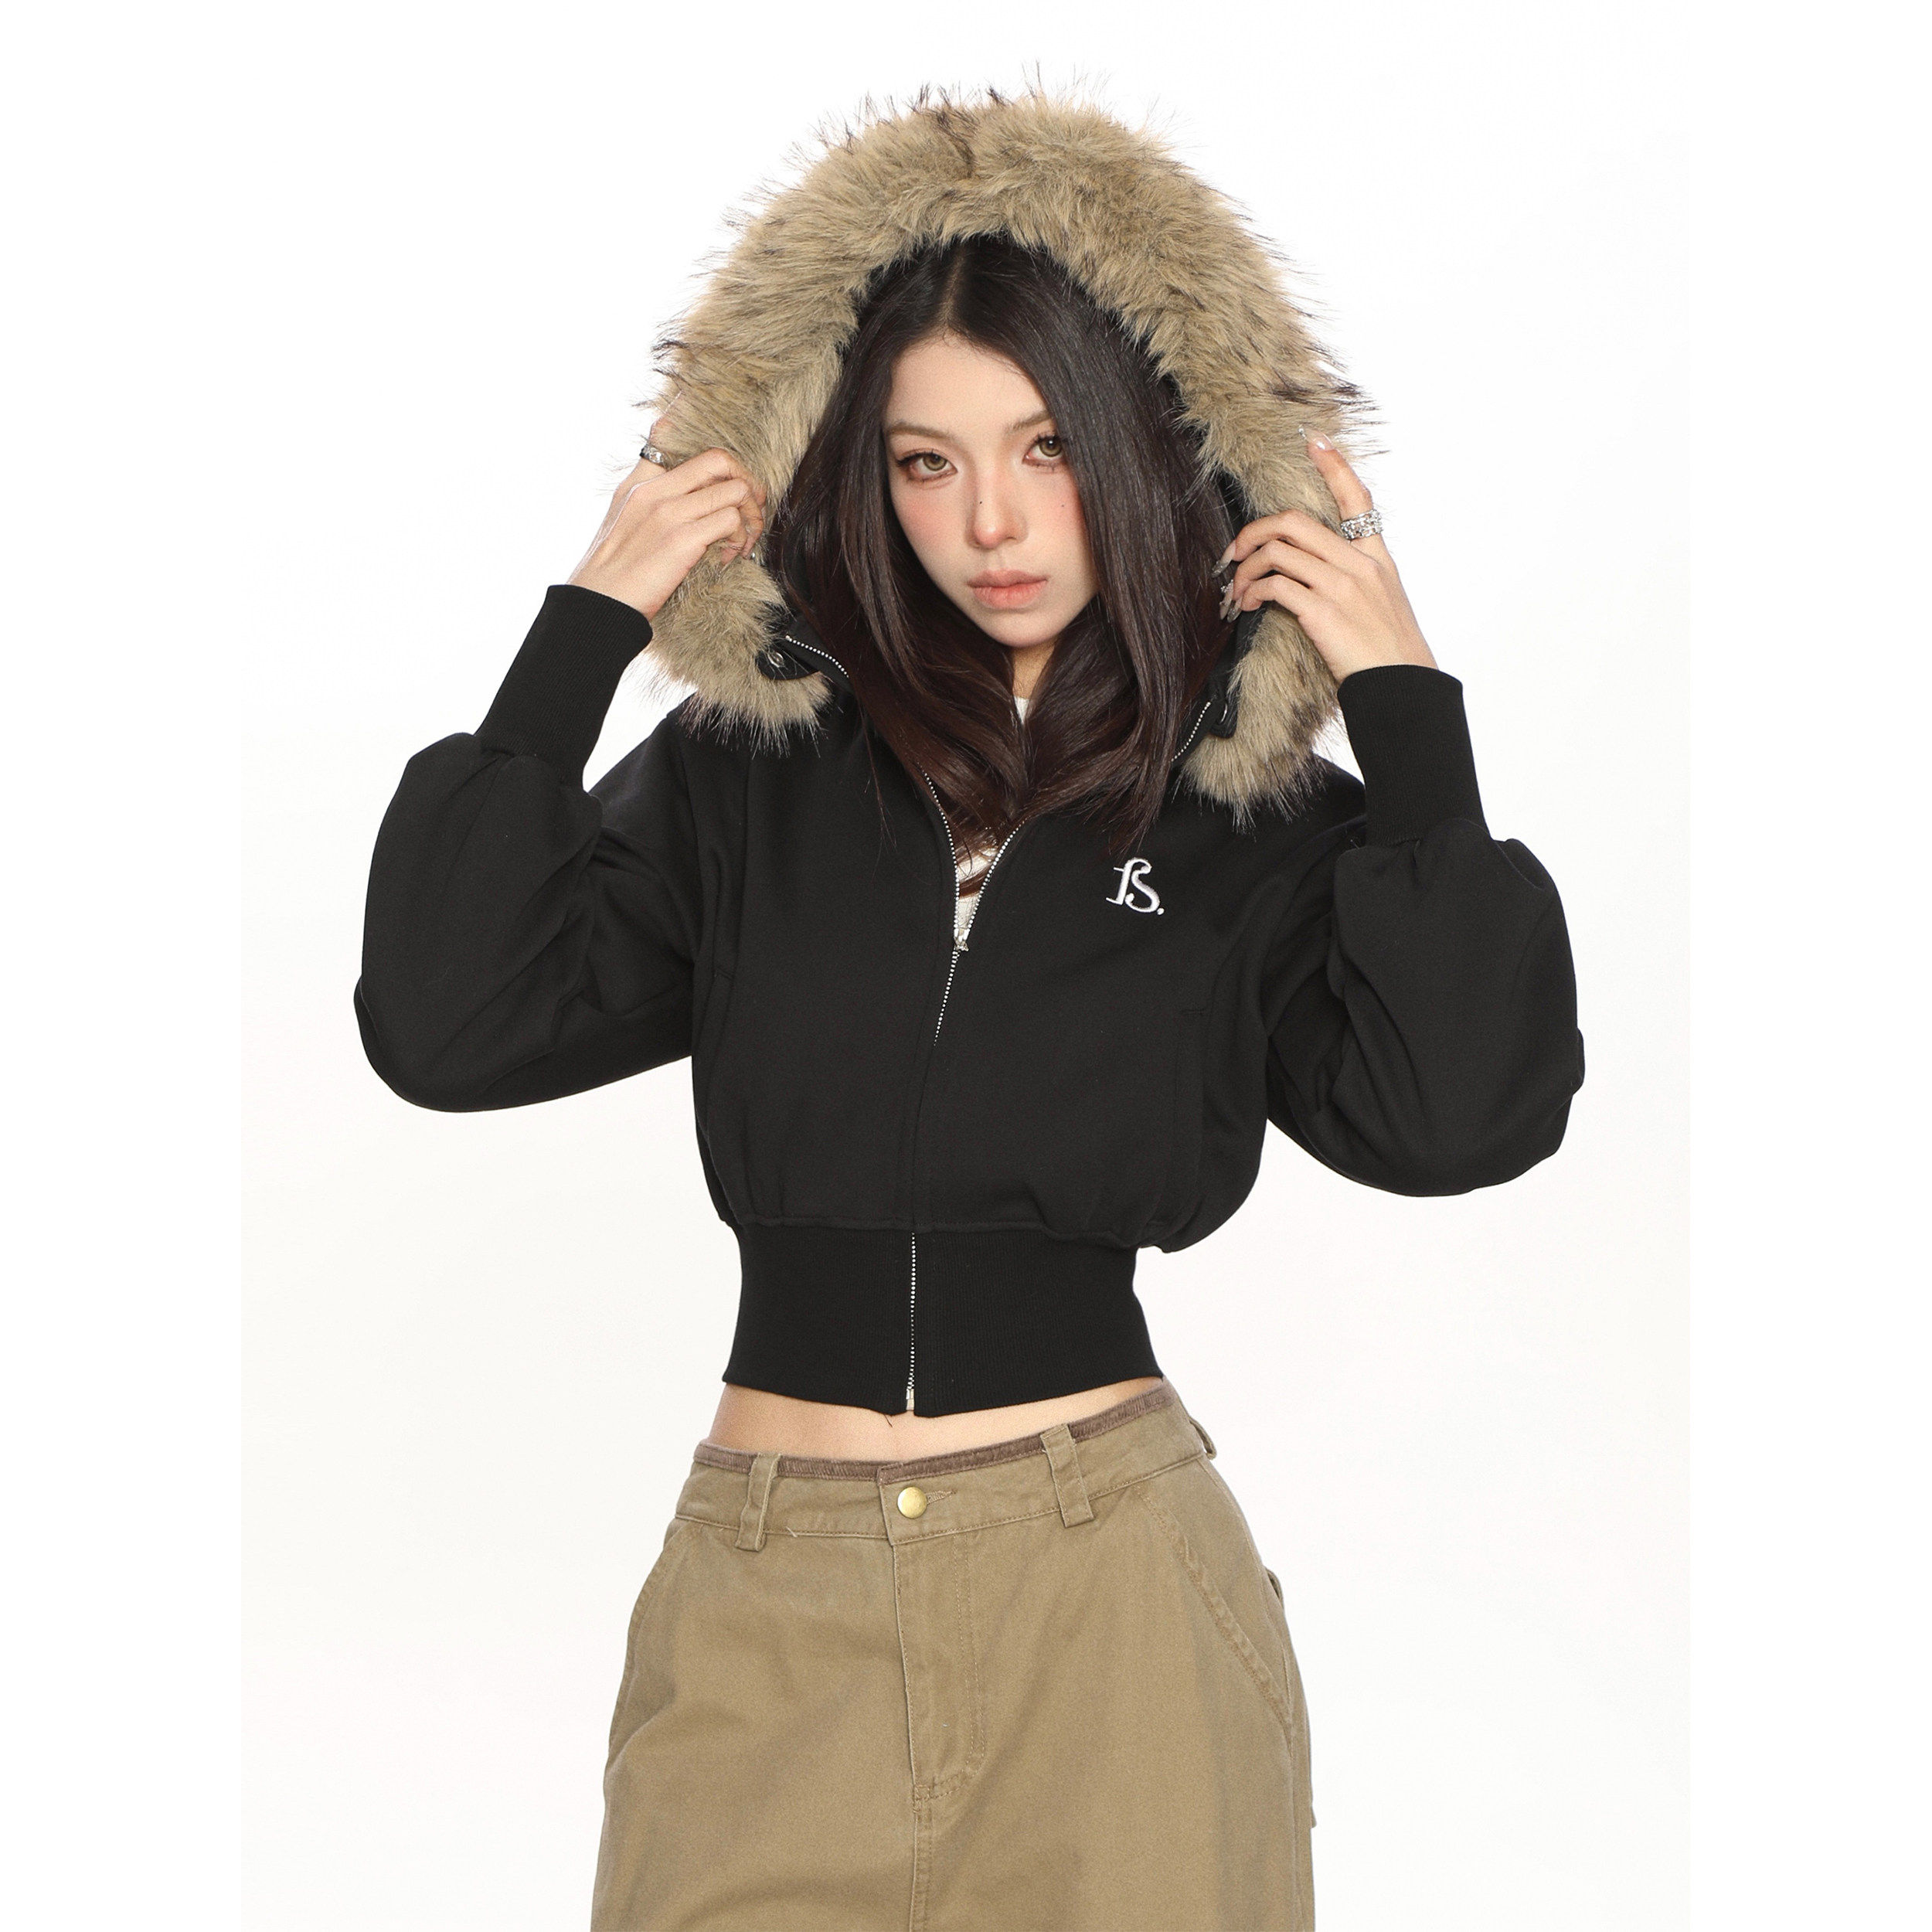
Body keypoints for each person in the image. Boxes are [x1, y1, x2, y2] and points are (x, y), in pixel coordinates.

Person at [355, 87, 1583, 1932]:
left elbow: (1457, 1115)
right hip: (766, 1602)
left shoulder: (1245, 826)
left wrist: (1403, 709)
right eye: (924, 463)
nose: (987, 521)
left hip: (1113, 1602)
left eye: (1043, 447)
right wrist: (590, 618)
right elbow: (446, 1023)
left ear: (1150, 448)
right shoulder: (747, 779)